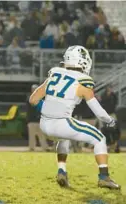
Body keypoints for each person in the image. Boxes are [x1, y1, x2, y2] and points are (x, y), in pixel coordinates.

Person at [29, 45, 120, 189]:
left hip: (44, 123)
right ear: (83, 62)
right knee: (99, 138)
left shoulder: (54, 74)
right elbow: (98, 111)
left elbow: (33, 100)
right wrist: (110, 121)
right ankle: (104, 177)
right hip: (61, 124)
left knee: (64, 138)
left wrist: (47, 110)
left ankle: (61, 172)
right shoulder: (82, 81)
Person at [26, 84, 50, 151]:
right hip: (31, 120)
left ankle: (45, 147)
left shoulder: (40, 98)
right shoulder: (29, 97)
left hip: (39, 120)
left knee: (42, 135)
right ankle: (32, 147)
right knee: (32, 135)